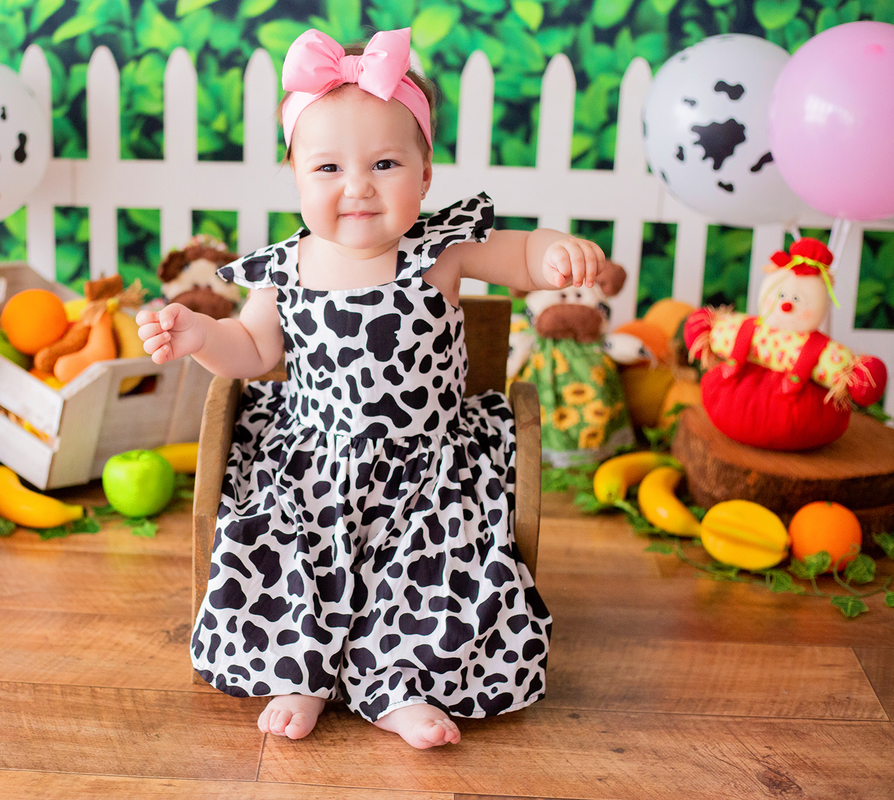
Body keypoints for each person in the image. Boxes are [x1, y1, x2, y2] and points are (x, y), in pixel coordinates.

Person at [137, 27, 612, 749]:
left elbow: (518, 254)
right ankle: (301, 670)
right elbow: (254, 347)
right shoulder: (285, 269)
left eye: (385, 163)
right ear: (296, 176)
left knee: (440, 557)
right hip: (312, 457)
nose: (357, 185)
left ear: (424, 176)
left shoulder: (441, 251)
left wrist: (557, 254)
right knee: (283, 544)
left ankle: (402, 683)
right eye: (328, 167)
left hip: (429, 461)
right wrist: (202, 337)